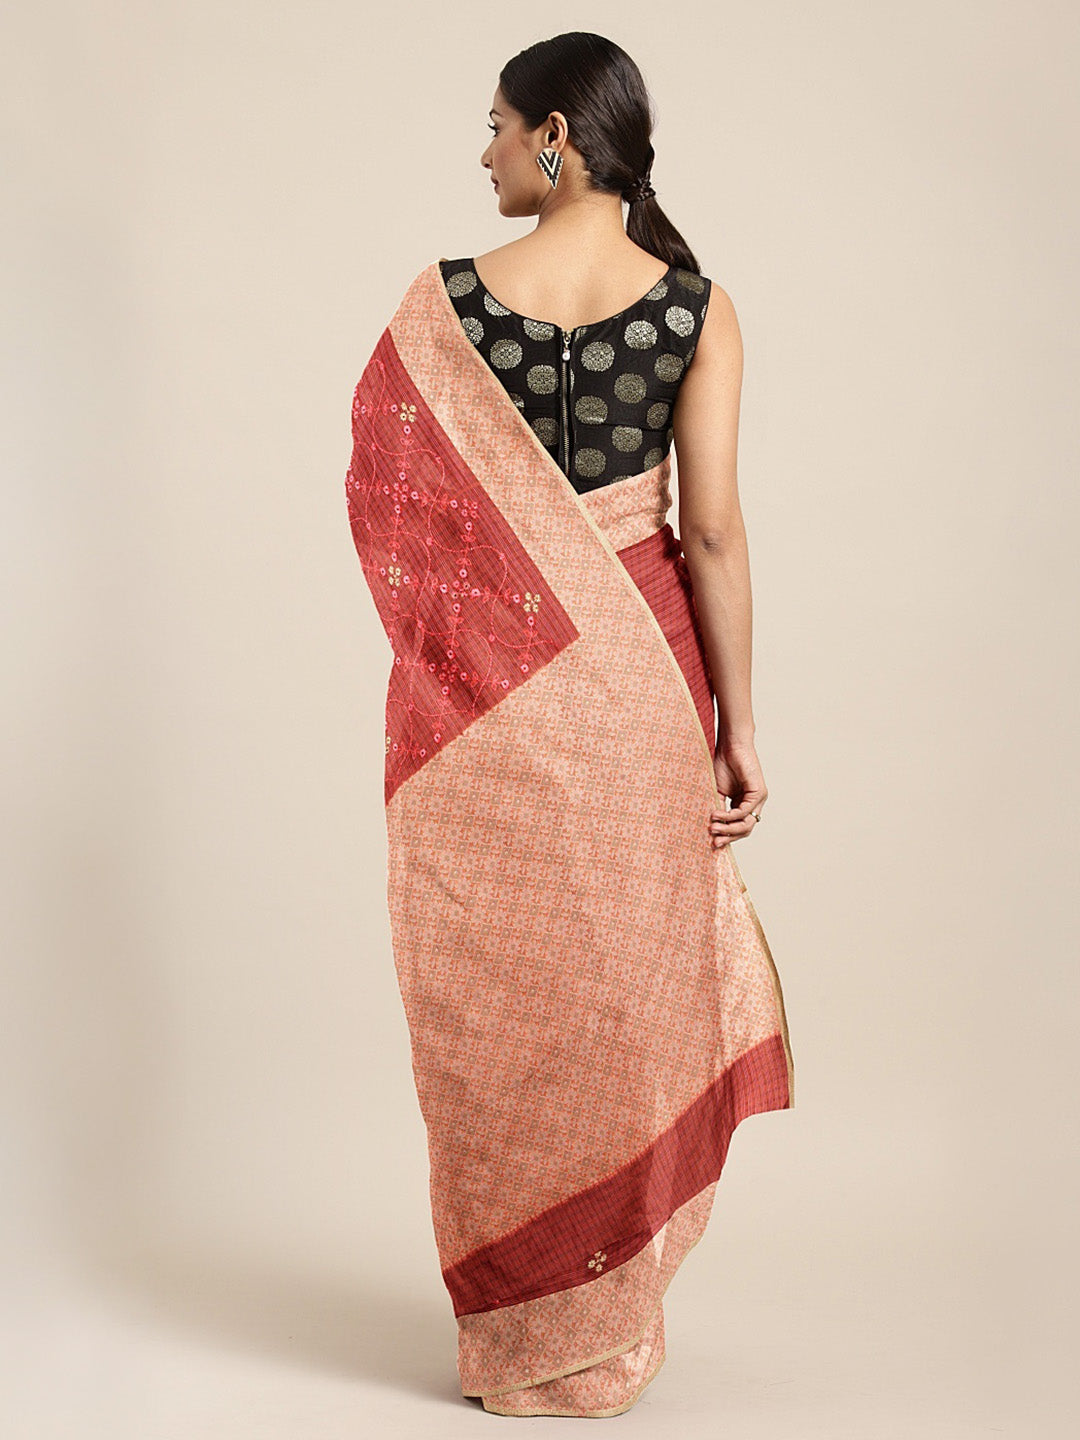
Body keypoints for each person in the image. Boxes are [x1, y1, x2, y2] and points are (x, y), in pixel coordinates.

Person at [344, 30, 794, 1419]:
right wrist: (740, 728)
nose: (482, 152)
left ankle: (523, 1341)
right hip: (649, 687)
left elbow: (396, 520)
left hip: (484, 706)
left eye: (494, 125)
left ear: (554, 135)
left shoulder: (443, 306)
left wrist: (475, 647)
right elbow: (709, 534)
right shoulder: (695, 311)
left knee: (496, 1007)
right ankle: (604, 1328)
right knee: (622, 995)